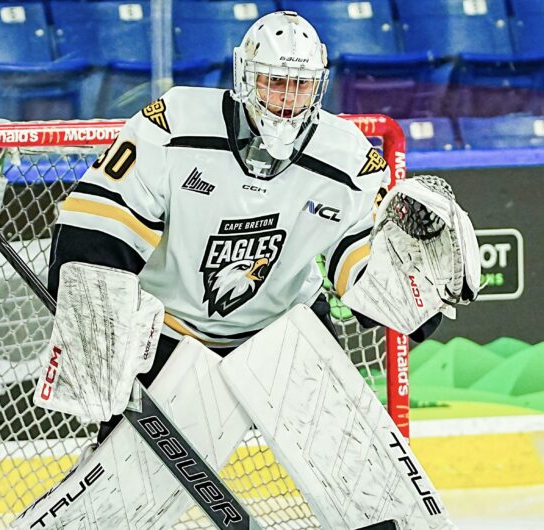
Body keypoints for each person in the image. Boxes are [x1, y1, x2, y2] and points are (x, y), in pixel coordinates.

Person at [48, 10, 443, 443]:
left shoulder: (347, 157)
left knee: (353, 454)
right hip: (169, 330)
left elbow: (364, 266)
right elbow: (98, 228)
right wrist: (94, 324)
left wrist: (418, 293)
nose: (286, 100)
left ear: (319, 87)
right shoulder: (175, 125)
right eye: (274, 82)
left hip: (281, 331)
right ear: (245, 77)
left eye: (301, 85)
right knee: (125, 481)